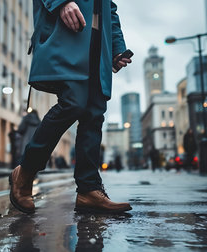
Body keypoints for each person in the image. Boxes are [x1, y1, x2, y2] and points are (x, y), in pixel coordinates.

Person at [9, 0, 132, 214]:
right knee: (73, 103)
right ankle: (25, 171)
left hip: (97, 44)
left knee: (94, 113)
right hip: (68, 32)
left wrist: (117, 48)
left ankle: (89, 190)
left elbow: (109, 9)